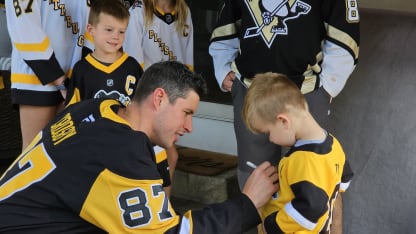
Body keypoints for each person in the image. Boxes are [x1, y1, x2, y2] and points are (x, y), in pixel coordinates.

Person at [0, 61, 279, 233]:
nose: (189, 127)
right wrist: (247, 204)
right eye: (186, 112)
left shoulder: (96, 107)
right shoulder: (120, 153)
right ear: (159, 98)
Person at [208, 0, 360, 232]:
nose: (270, 137)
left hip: (307, 89)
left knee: (322, 174)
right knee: (257, 177)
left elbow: (345, 35)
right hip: (251, 87)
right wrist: (222, 67)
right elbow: (226, 26)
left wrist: (329, 84)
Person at [242, 72, 354, 233]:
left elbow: (310, 209)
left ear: (283, 121)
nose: (271, 140)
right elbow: (342, 183)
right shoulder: (334, 144)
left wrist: (271, 225)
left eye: (268, 132)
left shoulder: (303, 160)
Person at [5, 0, 93, 150]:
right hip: (35, 78)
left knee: (64, 154)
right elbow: (24, 27)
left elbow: (91, 20)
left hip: (74, 76)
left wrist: (82, 71)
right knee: (34, 152)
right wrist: (59, 79)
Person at [124, 0, 194, 186]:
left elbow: (188, 64)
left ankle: (163, 209)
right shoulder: (139, 11)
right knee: (156, 157)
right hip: (149, 100)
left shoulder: (183, 10)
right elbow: (133, 64)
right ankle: (156, 209)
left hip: (173, 99)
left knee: (168, 158)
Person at [65, 0, 143, 107]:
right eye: (109, 30)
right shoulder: (81, 70)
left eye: (121, 31)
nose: (116, 36)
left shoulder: (133, 66)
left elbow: (143, 108)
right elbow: (71, 113)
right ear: (91, 30)